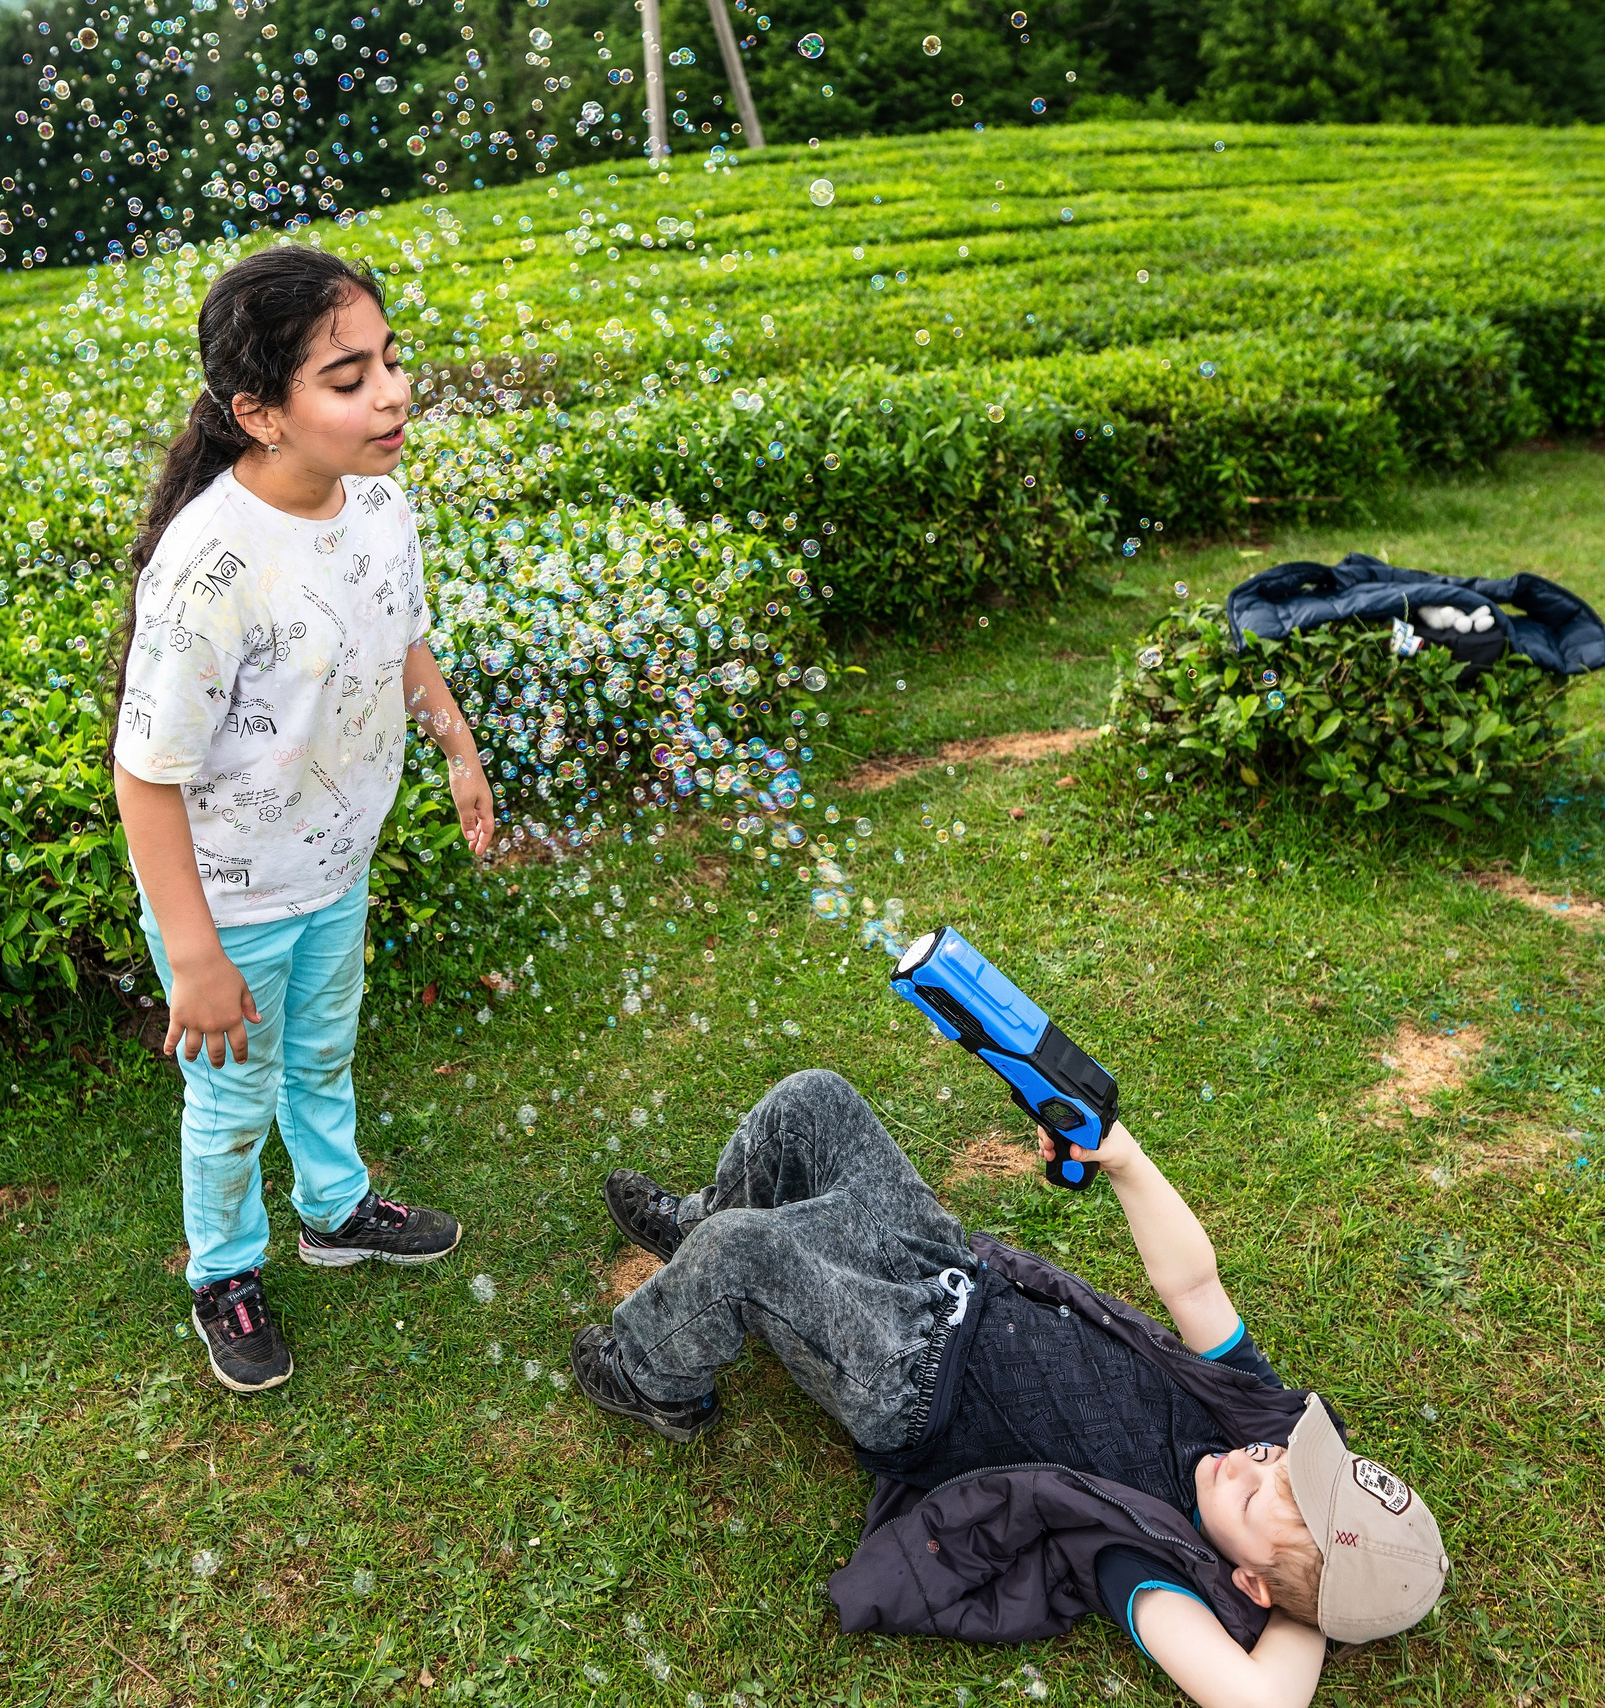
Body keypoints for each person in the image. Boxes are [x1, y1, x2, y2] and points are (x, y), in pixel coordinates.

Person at [572, 1071, 1449, 1708]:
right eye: (1283, 1460)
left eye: (1262, 1498)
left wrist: (1311, 1615)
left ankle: (653, 1377)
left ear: (1251, 1585)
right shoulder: (1253, 1410)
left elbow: (1260, 1703)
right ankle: (698, 1227)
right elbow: (1195, 1289)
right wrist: (1129, 1164)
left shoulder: (1151, 1563)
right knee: (815, 1102)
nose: (1247, 1464)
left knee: (745, 1255)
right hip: (960, 1272)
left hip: (907, 1383)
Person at [112, 243, 493, 1394]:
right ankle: (223, 1270)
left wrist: (457, 743)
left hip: (333, 859)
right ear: (258, 413)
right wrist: (193, 955)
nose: (390, 392)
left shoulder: (378, 498)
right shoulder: (210, 567)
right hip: (229, 895)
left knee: (321, 1049)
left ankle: (333, 1207)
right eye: (346, 375)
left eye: (389, 359)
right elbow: (146, 776)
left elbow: (399, 634)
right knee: (230, 1098)